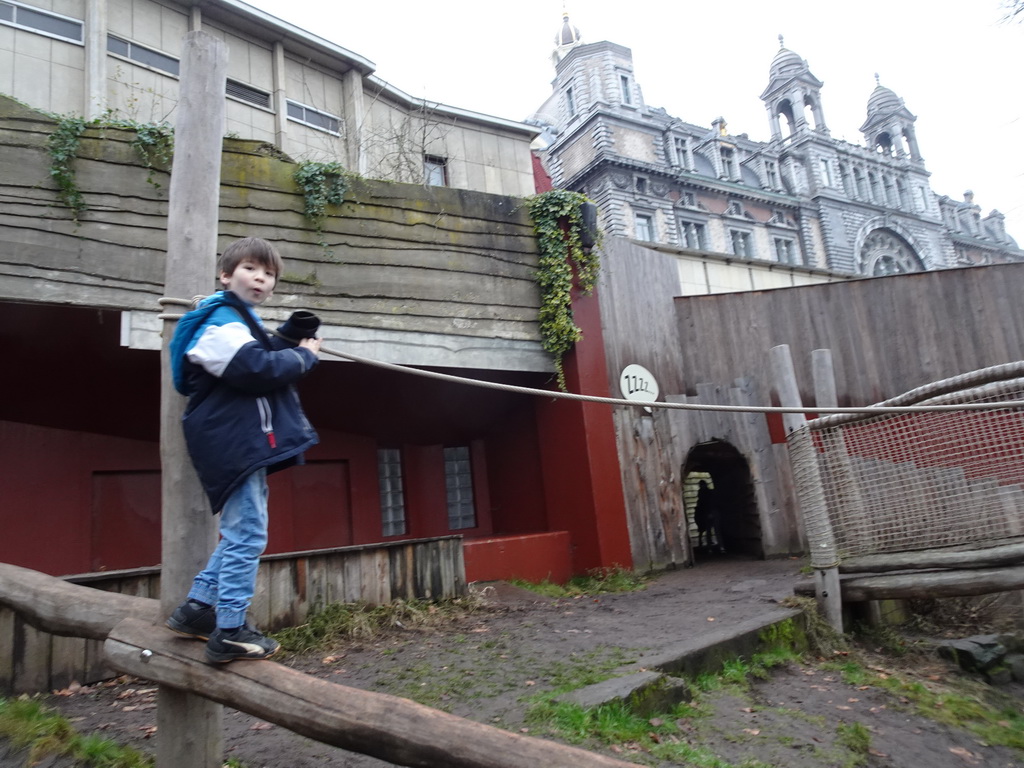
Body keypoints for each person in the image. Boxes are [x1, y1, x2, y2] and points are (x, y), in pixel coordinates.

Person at [164, 237, 322, 663]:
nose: (261, 278)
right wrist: (304, 359)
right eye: (252, 268)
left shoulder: (237, 319)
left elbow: (260, 352)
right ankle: (230, 628)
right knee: (247, 533)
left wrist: (290, 336)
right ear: (226, 274)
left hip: (237, 438)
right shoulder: (218, 321)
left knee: (243, 529)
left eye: (269, 274)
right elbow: (256, 369)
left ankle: (197, 609)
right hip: (231, 440)